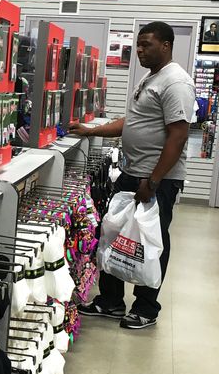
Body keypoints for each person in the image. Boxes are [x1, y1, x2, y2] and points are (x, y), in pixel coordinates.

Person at [70, 21, 195, 329]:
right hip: (131, 172)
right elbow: (132, 121)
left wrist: (153, 181)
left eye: (146, 44)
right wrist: (93, 130)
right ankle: (111, 301)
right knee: (114, 234)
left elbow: (178, 135)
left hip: (156, 180)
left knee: (150, 242)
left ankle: (146, 307)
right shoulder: (151, 78)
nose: (139, 50)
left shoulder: (176, 82)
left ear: (166, 45)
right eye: (138, 44)